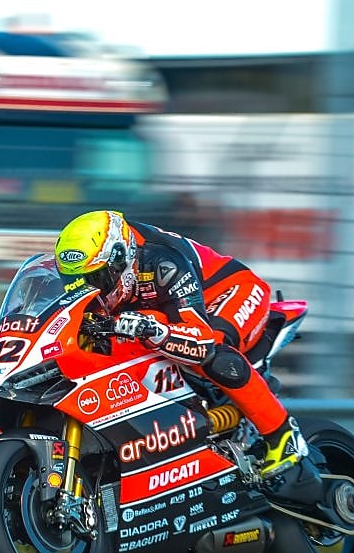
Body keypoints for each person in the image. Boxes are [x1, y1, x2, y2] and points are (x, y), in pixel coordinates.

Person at [53, 209, 322, 504]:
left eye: (96, 279)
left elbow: (200, 340)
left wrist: (155, 332)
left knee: (214, 349)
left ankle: (282, 436)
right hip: (163, 311)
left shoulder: (163, 263)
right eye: (76, 282)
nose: (90, 290)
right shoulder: (104, 271)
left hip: (228, 293)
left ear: (120, 261)